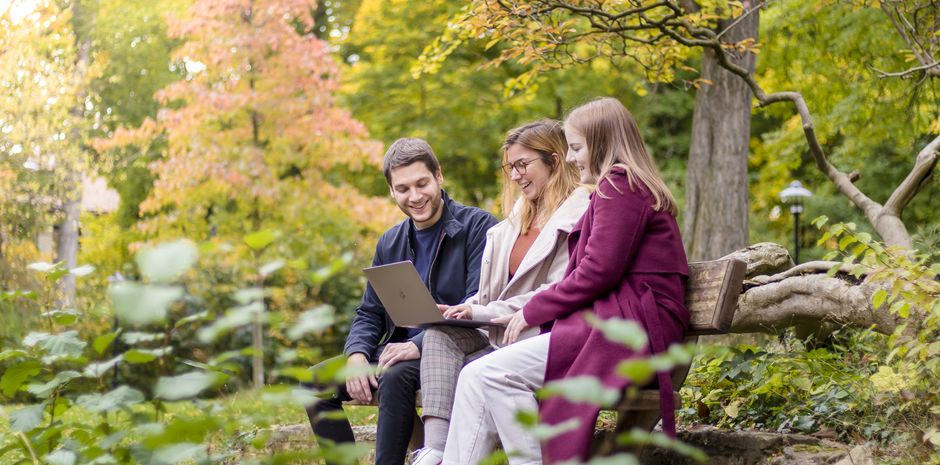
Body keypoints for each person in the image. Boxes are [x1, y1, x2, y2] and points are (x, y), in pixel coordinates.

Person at [442, 97, 690, 465]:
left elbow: (597, 271)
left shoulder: (619, 186)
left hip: (629, 328)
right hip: (614, 321)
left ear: (603, 144)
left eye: (576, 147)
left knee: (492, 373)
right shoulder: (620, 187)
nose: (572, 159)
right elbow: (594, 272)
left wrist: (532, 312)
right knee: (477, 376)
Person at [304, 137, 497, 465]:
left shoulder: (479, 227)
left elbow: (479, 303)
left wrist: (419, 344)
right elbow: (370, 311)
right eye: (403, 189)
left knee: (395, 377)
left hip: (456, 352)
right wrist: (357, 355)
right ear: (392, 191)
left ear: (439, 176)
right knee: (313, 382)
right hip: (396, 352)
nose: (415, 196)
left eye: (422, 183)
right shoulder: (391, 241)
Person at [410, 120, 589, 465]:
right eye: (511, 167)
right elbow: (493, 289)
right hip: (500, 330)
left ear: (554, 159)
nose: (516, 176)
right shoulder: (515, 220)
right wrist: (464, 307)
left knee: (474, 376)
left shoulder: (575, 217)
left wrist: (479, 313)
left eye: (523, 165)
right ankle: (435, 449)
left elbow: (554, 291)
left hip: (538, 334)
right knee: (438, 335)